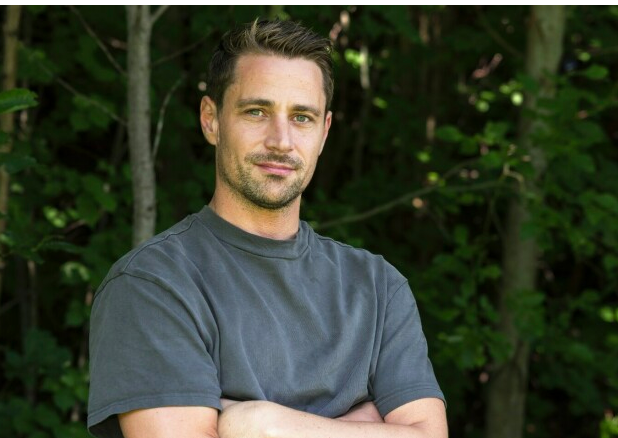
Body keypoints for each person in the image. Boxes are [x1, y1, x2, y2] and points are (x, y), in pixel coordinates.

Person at [88, 19, 446, 438]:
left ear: (324, 132)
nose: (281, 141)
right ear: (211, 119)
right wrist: (365, 427)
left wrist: (261, 423)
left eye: (302, 117)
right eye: (256, 111)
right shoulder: (154, 283)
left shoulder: (378, 287)